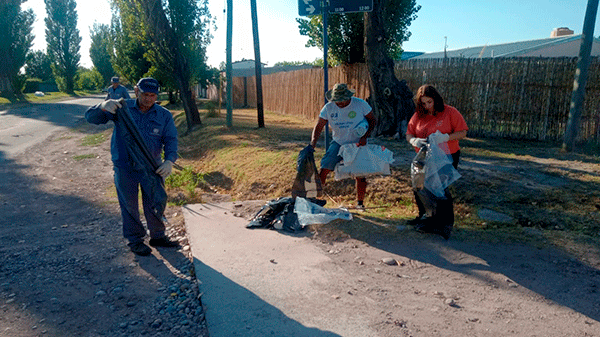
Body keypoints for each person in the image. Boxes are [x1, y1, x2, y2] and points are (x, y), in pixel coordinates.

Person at [86, 77, 179, 256]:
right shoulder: (121, 108)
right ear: (137, 91)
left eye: (153, 95)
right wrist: (103, 106)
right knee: (129, 205)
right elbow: (90, 117)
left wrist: (169, 160)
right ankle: (135, 240)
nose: (149, 99)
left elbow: (171, 139)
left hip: (152, 166)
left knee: (155, 201)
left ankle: (158, 236)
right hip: (125, 166)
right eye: (145, 94)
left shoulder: (164, 115)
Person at [406, 84, 468, 239]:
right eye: (423, 103)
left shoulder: (450, 112)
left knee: (439, 188)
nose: (427, 106)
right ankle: (425, 217)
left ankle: (444, 225)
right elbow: (409, 133)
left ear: (436, 99)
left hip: (446, 156)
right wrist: (414, 140)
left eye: (429, 102)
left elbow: (463, 132)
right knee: (419, 185)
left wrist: (445, 137)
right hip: (424, 155)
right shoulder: (419, 115)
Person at [310, 83, 376, 210]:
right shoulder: (328, 108)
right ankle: (315, 200)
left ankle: (360, 203)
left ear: (348, 97)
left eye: (342, 100)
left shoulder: (360, 104)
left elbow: (372, 120)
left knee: (360, 174)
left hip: (357, 142)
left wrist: (365, 136)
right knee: (324, 167)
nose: (339, 103)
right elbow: (319, 126)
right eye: (336, 100)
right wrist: (312, 143)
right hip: (338, 142)